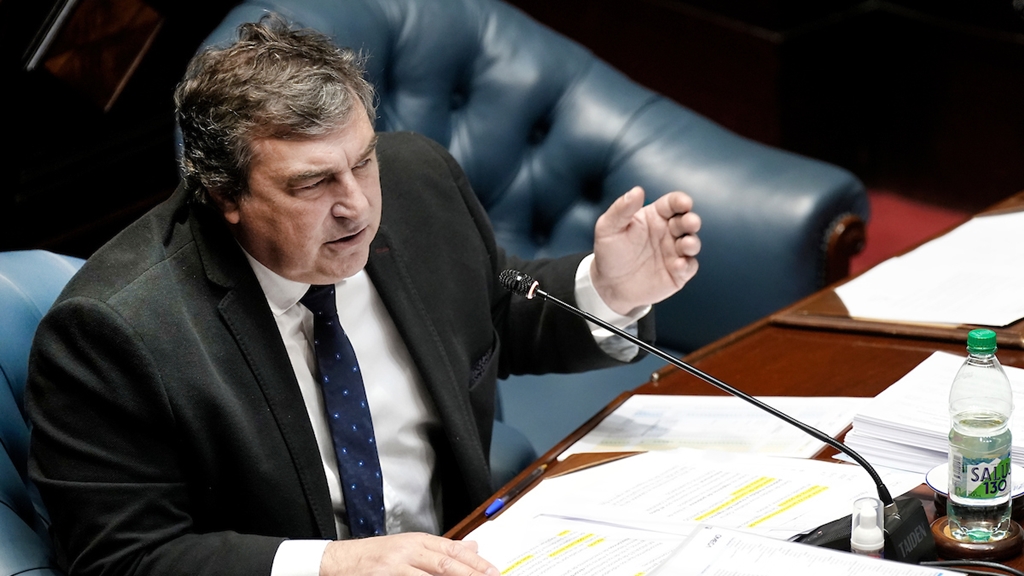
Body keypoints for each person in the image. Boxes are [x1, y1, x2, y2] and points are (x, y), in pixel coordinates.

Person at [25, 16, 702, 576]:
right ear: (225, 194)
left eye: (361, 162)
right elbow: (122, 557)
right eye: (312, 184)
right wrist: (329, 566)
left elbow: (492, 316)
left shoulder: (417, 183)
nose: (357, 207)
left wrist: (608, 288)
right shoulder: (115, 331)